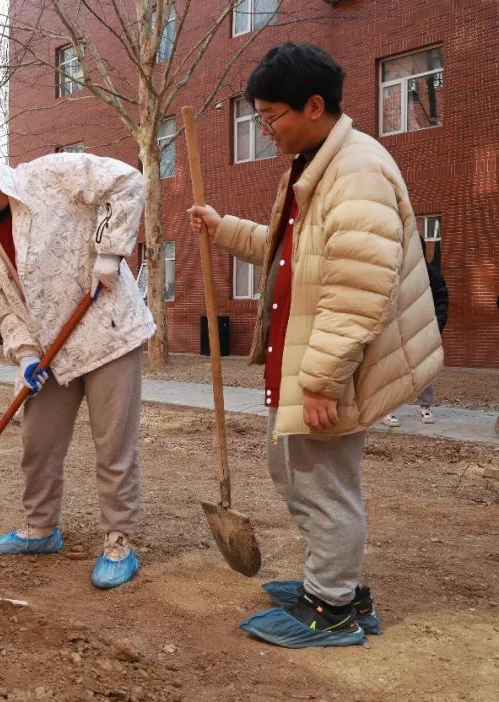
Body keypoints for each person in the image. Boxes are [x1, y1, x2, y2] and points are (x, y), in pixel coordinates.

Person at [187, 44, 442, 648]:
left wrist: (324, 380)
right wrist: (224, 229)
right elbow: (291, 257)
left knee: (324, 483)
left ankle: (333, 607)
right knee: (296, 473)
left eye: (271, 116)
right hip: (298, 356)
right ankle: (333, 583)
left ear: (314, 105)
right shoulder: (315, 164)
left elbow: (356, 288)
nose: (265, 129)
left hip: (325, 367)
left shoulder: (355, 171)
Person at [0, 141, 155, 590]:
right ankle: (40, 529)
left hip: (107, 329)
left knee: (113, 446)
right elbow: (1, 304)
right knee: (39, 442)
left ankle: (117, 542)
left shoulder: (51, 175)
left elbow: (128, 181)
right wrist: (26, 352)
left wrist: (110, 251)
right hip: (50, 350)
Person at [383, 238, 448, 427]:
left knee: (425, 367)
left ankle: (425, 406)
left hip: (423, 327)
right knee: (393, 368)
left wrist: (438, 324)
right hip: (397, 329)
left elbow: (441, 299)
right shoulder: (394, 272)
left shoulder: (431, 273)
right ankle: (388, 408)